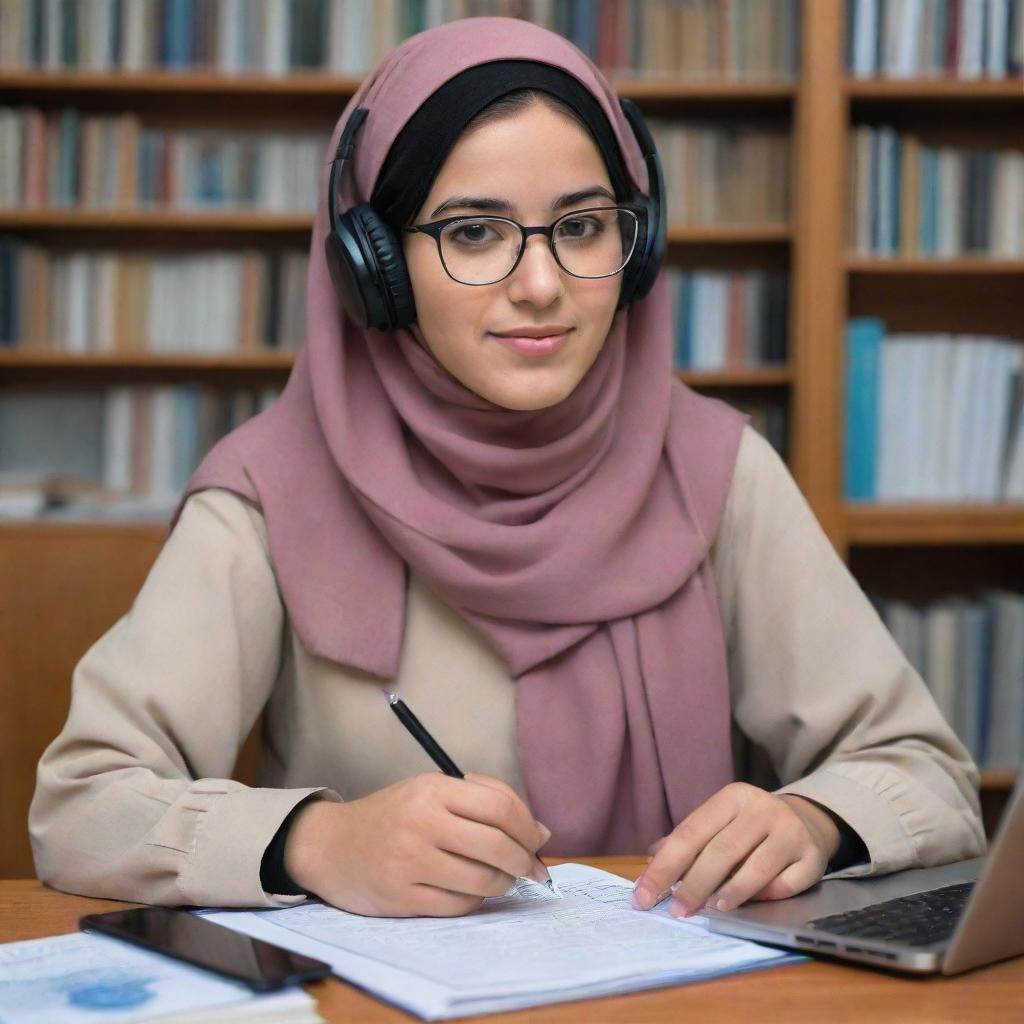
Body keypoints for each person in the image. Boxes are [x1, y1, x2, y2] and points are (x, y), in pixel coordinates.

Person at [30, 18, 984, 921]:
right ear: (376, 270)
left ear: (637, 247)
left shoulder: (716, 467)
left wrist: (812, 821)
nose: (540, 286)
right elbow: (82, 808)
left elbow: (929, 779)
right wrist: (316, 841)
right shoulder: (268, 492)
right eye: (473, 232)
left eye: (580, 226)